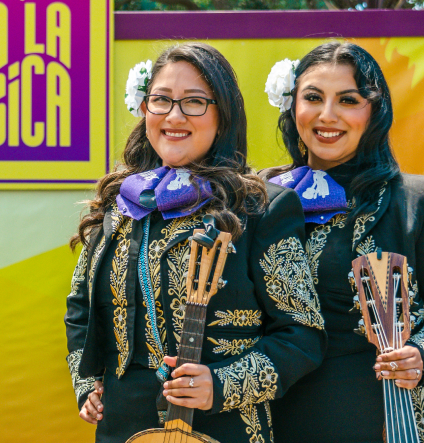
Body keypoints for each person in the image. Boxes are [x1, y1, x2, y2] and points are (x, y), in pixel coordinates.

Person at [65, 43, 326, 443]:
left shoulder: (260, 207)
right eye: (162, 100)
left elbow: (303, 335)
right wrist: (87, 383)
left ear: (222, 116)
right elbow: (82, 307)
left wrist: (220, 385)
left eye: (194, 103)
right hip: (123, 425)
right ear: (144, 109)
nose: (174, 116)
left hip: (226, 426)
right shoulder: (121, 203)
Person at [262, 41, 424, 443]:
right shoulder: (258, 196)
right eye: (313, 97)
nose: (327, 115)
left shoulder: (420, 202)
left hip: (380, 415)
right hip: (269, 415)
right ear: (292, 106)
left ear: (374, 112)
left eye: (348, 100)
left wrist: (419, 355)